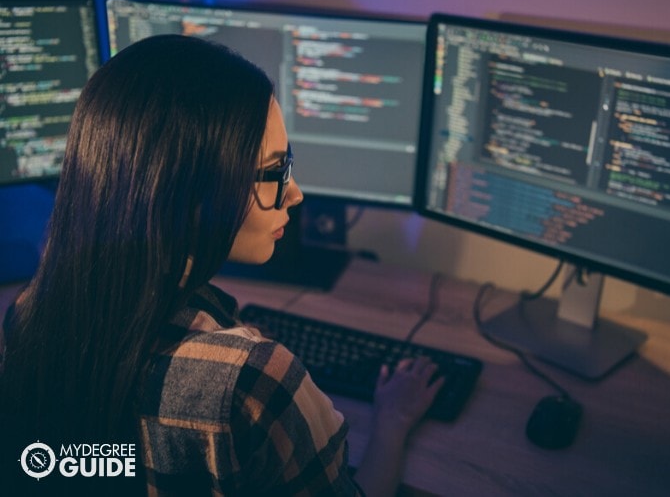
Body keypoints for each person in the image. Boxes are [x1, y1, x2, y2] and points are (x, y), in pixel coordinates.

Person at [0, 34, 442, 496]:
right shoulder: (252, 380)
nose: (294, 194)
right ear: (189, 195)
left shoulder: (29, 315)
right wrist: (393, 422)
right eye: (275, 172)